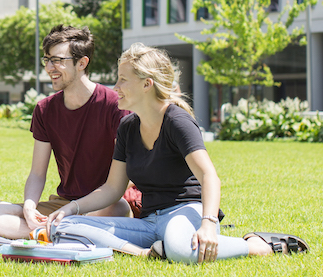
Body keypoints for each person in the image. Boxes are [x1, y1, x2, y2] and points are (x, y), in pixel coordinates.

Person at [47, 43, 309, 263]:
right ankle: (145, 253)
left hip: (188, 213)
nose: (116, 87)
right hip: (150, 222)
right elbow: (113, 189)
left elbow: (209, 177)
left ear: (147, 84)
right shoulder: (127, 127)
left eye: (123, 80)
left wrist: (207, 224)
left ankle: (258, 245)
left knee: (179, 248)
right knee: (65, 227)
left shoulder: (177, 120)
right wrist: (73, 208)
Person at [0, 25, 130, 240]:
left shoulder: (115, 105)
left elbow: (120, 182)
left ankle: (51, 232)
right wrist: (29, 207)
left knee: (119, 209)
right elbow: (38, 173)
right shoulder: (45, 109)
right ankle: (61, 232)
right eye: (47, 59)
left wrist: (77, 208)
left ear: (82, 63)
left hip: (103, 204)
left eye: (58, 60)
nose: (49, 67)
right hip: (63, 205)